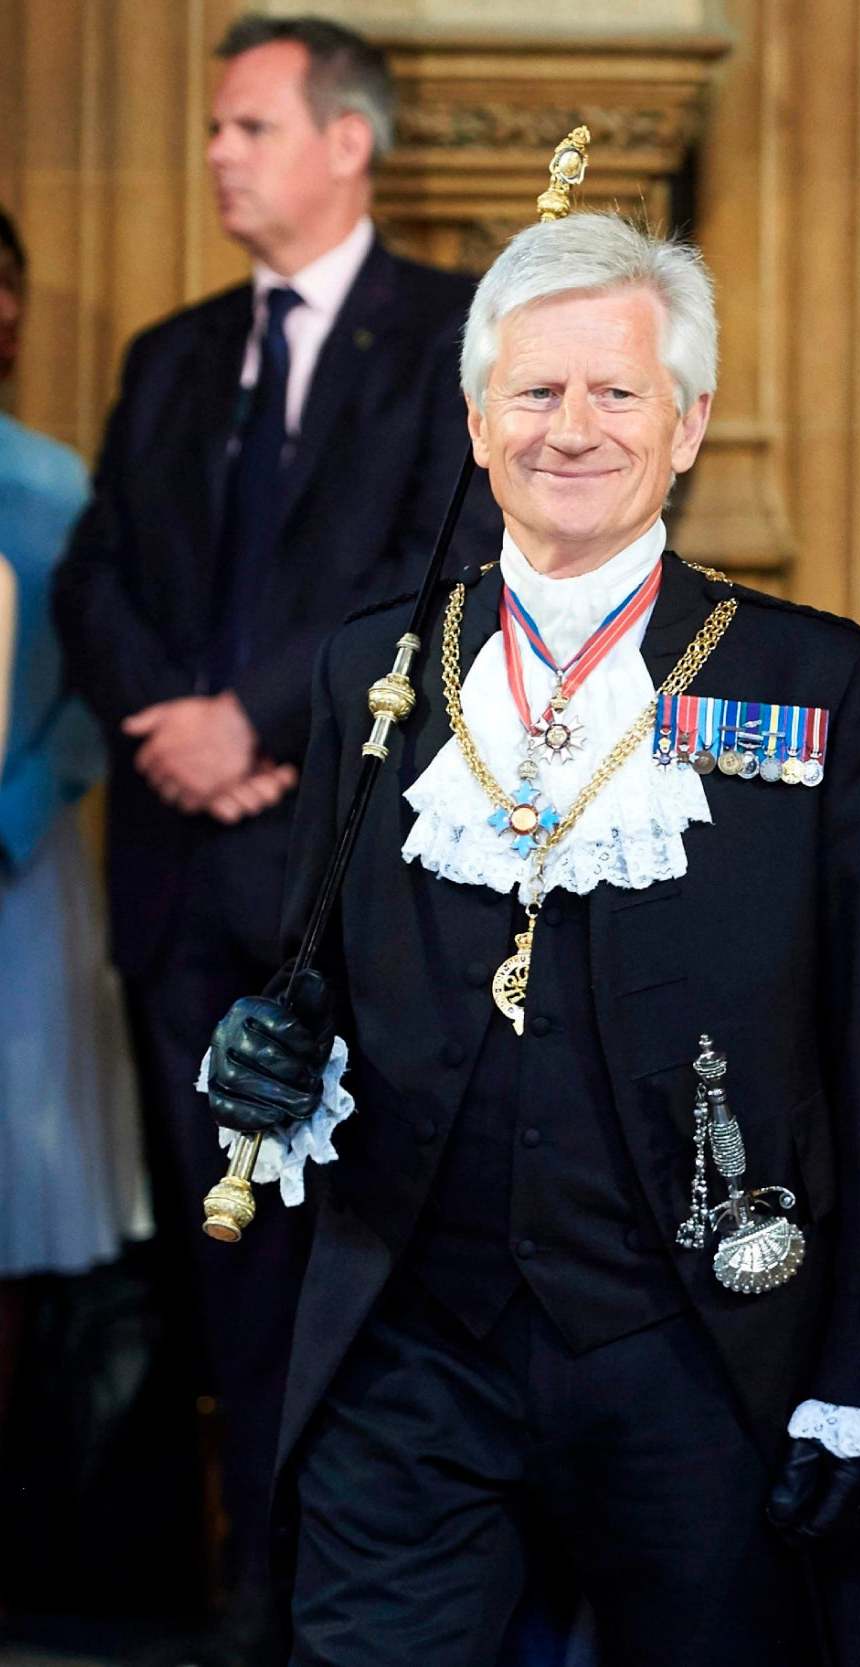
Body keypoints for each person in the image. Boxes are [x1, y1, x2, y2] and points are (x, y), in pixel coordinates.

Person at [200, 211, 860, 1666]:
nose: (573, 429)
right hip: (413, 1343)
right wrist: (259, 1057)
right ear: (478, 421)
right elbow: (312, 974)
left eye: (616, 393)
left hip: (700, 1351)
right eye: (537, 393)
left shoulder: (820, 683)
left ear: (687, 425)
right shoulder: (370, 666)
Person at [48, 18, 496, 1647]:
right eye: (216, 129)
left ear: (344, 142)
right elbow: (96, 574)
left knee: (366, 1249)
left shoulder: (450, 332)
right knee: (221, 1260)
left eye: (247, 125)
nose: (219, 152)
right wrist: (175, 721)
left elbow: (433, 572)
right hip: (180, 882)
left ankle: (354, 1578)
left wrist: (263, 717)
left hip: (348, 872)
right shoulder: (173, 353)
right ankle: (254, 1582)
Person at [0, 202, 149, 1446]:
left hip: (23, 867)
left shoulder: (56, 485)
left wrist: (11, 812)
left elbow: (105, 686)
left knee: (25, 1181)